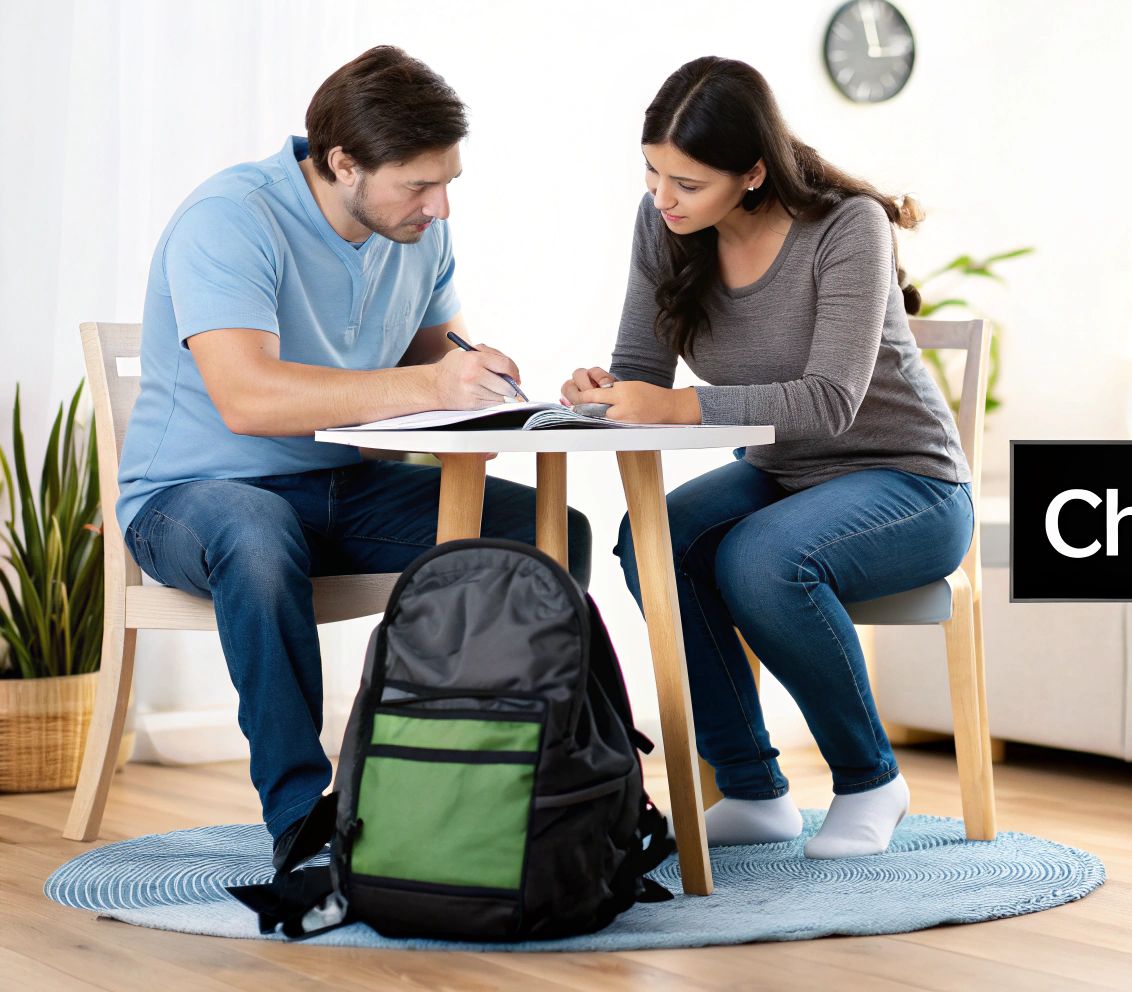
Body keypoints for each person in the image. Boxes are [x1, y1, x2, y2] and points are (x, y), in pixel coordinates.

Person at [116, 46, 591, 860]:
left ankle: (463, 776)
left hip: (343, 488)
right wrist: (431, 387)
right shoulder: (230, 218)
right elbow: (249, 397)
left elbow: (435, 353)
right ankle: (304, 819)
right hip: (194, 498)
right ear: (343, 163)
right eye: (418, 184)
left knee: (550, 533)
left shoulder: (418, 234)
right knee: (256, 536)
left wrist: (483, 377)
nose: (439, 206)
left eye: (448, 182)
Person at [562, 56, 973, 859]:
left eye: (687, 182)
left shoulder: (847, 226)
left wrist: (678, 404)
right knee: (652, 539)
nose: (661, 198)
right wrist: (606, 391)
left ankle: (870, 779)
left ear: (751, 174)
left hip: (910, 483)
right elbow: (645, 372)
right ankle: (751, 790)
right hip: (784, 479)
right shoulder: (664, 228)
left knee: (761, 558)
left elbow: (830, 402)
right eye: (652, 173)